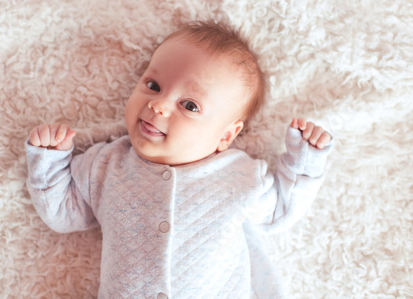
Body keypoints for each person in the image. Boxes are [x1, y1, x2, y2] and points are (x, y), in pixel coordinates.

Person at [25, 21, 332, 298]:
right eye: (153, 85)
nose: (158, 105)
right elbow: (64, 213)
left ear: (225, 136)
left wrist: (304, 161)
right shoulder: (106, 165)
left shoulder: (238, 176)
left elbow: (281, 208)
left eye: (189, 105)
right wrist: (49, 160)